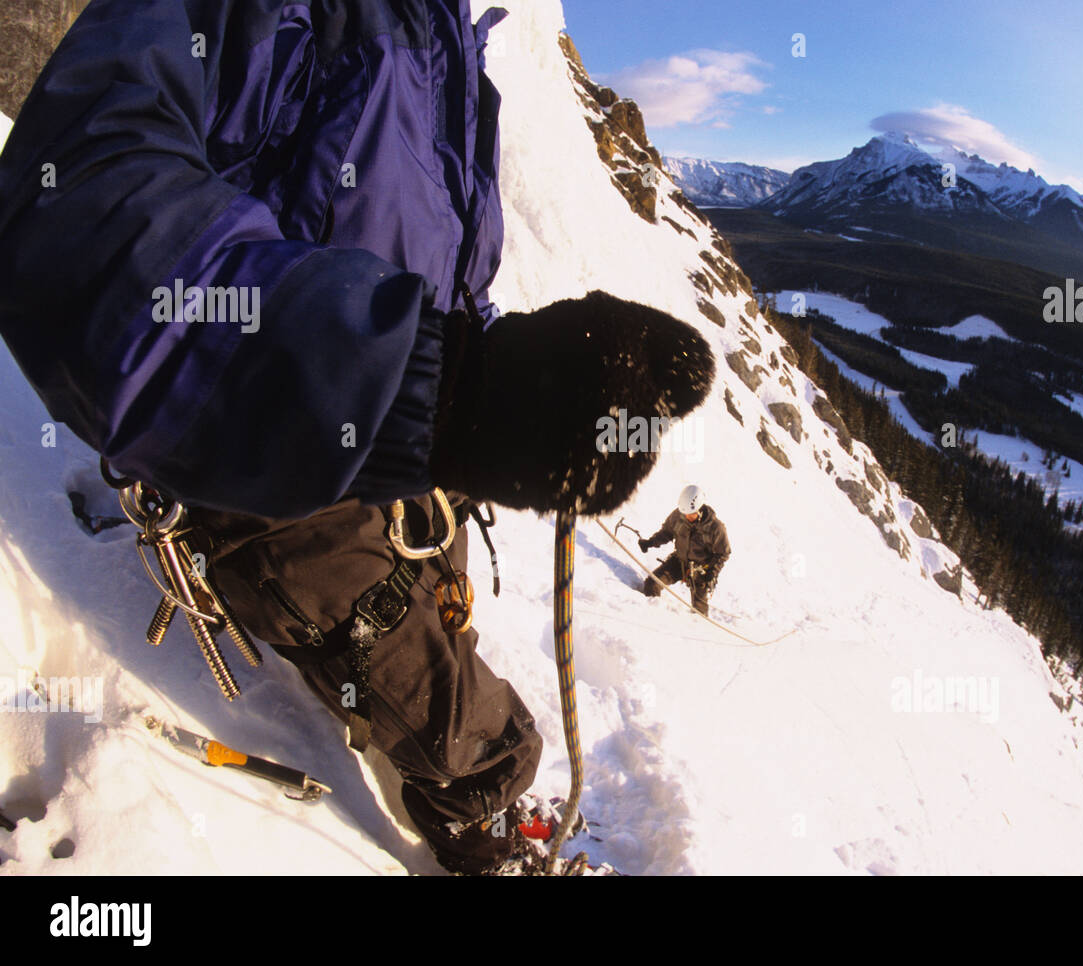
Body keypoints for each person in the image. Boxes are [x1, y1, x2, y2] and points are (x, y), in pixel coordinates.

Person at [0, 0, 713, 874]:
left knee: (449, 637)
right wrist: (438, 387)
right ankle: (486, 824)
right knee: (475, 731)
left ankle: (486, 801)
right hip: (265, 451)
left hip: (397, 445)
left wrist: (496, 380)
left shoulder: (447, 40)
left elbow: (434, 268)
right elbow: (72, 214)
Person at [638, 485, 730, 616]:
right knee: (651, 585)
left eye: (691, 514)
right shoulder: (678, 516)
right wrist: (650, 542)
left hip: (701, 571)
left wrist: (712, 572)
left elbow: (723, 553)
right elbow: (666, 533)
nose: (687, 517)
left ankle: (695, 629)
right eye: (685, 513)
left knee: (699, 614)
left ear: (700, 510)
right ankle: (654, 616)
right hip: (679, 562)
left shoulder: (716, 528)